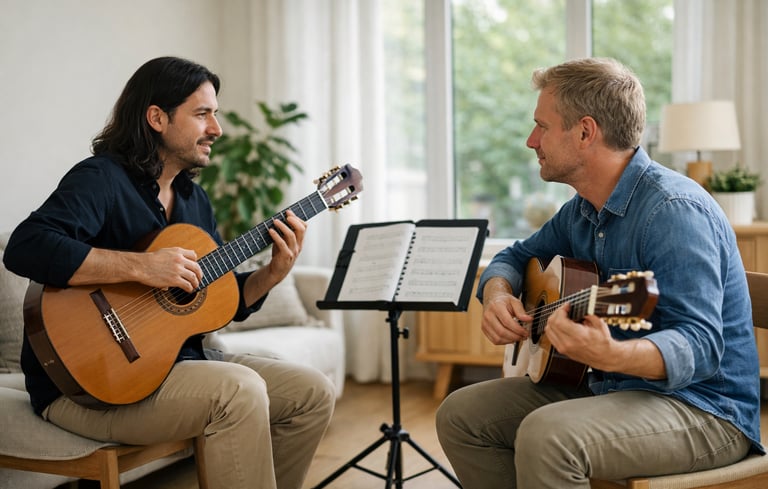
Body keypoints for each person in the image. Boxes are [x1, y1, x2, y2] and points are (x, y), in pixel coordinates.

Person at [3, 56, 334, 489]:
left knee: (312, 393)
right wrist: (142, 266)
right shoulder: (100, 179)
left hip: (175, 368)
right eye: (202, 114)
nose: (216, 128)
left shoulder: (194, 201)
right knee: (237, 389)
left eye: (214, 114)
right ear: (157, 117)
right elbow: (28, 246)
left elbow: (217, 302)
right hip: (83, 388)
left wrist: (271, 273)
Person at [435, 57, 763, 488]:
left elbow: (700, 346)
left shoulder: (674, 212)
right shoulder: (580, 212)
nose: (531, 140)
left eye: (542, 126)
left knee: (549, 437)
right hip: (610, 387)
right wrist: (497, 294)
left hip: (703, 409)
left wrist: (614, 354)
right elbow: (512, 259)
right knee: (461, 415)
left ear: (586, 132)